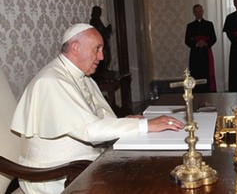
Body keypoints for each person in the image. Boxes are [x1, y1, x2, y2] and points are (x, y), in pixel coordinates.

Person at [10, 23, 184, 193]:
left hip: (85, 164)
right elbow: (89, 129)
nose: (101, 57)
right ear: (76, 48)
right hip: (55, 176)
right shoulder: (51, 81)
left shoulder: (83, 77)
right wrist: (147, 125)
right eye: (97, 49)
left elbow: (97, 119)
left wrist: (124, 122)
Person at [185, 4, 217, 93]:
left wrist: (205, 43)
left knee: (206, 75)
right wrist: (196, 43)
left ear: (203, 11)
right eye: (196, 11)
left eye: (200, 11)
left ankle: (207, 93)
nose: (199, 13)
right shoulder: (190, 26)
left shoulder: (209, 24)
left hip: (206, 53)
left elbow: (214, 39)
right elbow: (187, 40)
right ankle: (196, 94)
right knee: (195, 74)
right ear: (194, 13)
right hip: (195, 54)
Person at [89, 6, 112, 74]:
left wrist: (107, 29)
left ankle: (105, 69)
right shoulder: (93, 21)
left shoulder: (98, 20)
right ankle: (103, 70)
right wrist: (106, 30)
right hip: (100, 42)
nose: (99, 14)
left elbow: (103, 30)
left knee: (107, 56)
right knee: (103, 56)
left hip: (104, 41)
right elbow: (97, 32)